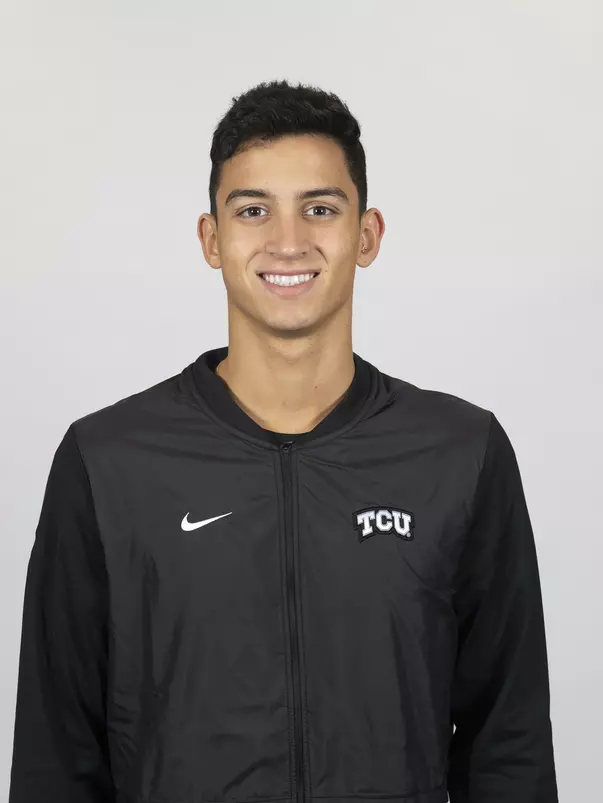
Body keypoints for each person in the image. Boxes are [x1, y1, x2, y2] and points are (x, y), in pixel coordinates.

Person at [9, 79, 558, 803]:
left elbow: (507, 745)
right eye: (253, 210)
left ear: (367, 234)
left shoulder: (460, 453)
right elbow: (56, 757)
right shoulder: (108, 462)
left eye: (320, 209)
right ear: (212, 238)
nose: (288, 241)